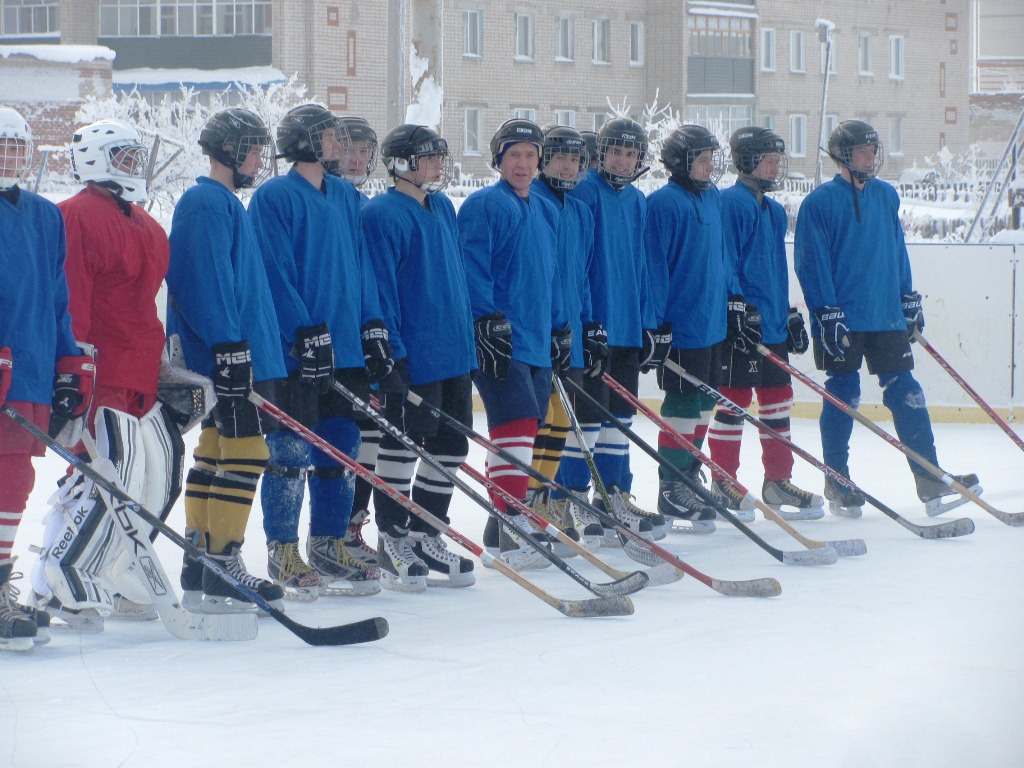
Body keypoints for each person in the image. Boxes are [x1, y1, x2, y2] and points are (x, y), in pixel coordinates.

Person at [30, 119, 187, 631]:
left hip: (142, 372)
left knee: (158, 478)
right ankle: (63, 573)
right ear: (95, 159)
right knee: (104, 478)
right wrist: (73, 370)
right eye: (122, 157)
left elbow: (153, 300)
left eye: (133, 157)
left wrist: (168, 368)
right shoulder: (74, 217)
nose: (133, 167)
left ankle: (119, 569)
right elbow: (68, 301)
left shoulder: (146, 222)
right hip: (101, 374)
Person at [794, 119, 980, 517]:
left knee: (905, 389)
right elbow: (812, 263)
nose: (872, 156)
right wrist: (825, 312)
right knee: (843, 392)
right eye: (864, 149)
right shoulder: (819, 203)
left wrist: (907, 298)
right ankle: (837, 478)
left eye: (874, 149)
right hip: (841, 319)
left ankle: (930, 478)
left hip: (885, 315)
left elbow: (897, 251)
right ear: (843, 154)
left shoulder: (885, 196)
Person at [249, 103, 389, 599]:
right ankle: (282, 549)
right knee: (290, 452)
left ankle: (329, 541)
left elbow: (362, 264)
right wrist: (302, 329)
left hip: (346, 349)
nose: (339, 143)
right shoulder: (274, 196)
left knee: (341, 449)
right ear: (307, 140)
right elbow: (272, 270)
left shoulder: (347, 196)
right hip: (297, 352)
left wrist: (372, 324)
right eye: (330, 135)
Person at [165, 107, 287, 613]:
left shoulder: (226, 204)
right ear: (230, 150)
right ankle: (224, 562)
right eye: (254, 149)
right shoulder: (205, 203)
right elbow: (201, 281)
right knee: (245, 452)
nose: (260, 159)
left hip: (240, 352)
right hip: (227, 356)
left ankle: (201, 560)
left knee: (215, 450)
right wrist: (227, 346)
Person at [361, 123, 476, 590]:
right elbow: (380, 288)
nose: (437, 166)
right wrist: (391, 352)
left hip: (453, 353)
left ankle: (428, 532)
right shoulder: (381, 215)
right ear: (402, 164)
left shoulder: (444, 207)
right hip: (415, 355)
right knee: (403, 447)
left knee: (451, 446)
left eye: (439, 157)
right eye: (429, 158)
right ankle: (393, 536)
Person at [0, 106, 92, 651]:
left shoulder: (43, 215)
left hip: (30, 370)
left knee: (14, 483)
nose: (10, 156)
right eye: (1, 145)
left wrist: (67, 367)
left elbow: (58, 301)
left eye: (17, 146)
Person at [458, 118, 565, 571]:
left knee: (526, 432)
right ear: (498, 159)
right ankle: (510, 522)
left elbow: (553, 276)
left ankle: (503, 522)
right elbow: (472, 266)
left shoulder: (545, 210)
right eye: (514, 155)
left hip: (538, 338)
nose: (523, 163)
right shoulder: (483, 205)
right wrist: (485, 318)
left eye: (530, 155)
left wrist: (561, 325)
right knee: (514, 429)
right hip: (500, 339)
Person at [707, 127, 823, 522]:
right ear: (747, 161)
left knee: (777, 403)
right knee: (733, 402)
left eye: (777, 161)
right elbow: (726, 262)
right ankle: (722, 480)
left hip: (770, 325)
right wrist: (736, 305)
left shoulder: (773, 211)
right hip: (740, 324)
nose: (775, 167)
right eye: (768, 161)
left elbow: (773, 269)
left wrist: (787, 311)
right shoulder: (730, 204)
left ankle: (777, 481)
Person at [569, 116, 664, 544]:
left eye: (631, 154)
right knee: (587, 420)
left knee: (618, 422)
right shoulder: (585, 191)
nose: (623, 161)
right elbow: (579, 264)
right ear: (600, 153)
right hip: (596, 327)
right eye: (616, 152)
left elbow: (644, 268)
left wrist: (649, 324)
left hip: (627, 327)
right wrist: (586, 322)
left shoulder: (639, 201)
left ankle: (614, 496)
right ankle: (574, 497)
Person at [644, 124, 734, 534]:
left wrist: (733, 300)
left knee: (703, 406)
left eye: (711, 158)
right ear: (680, 163)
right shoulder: (664, 203)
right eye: (702, 159)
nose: (709, 166)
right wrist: (656, 321)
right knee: (681, 406)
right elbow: (655, 266)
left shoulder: (712, 198)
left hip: (712, 321)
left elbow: (722, 256)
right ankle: (670, 486)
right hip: (681, 325)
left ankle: (689, 475)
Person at [525, 125, 607, 553]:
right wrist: (551, 328)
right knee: (538, 422)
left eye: (576, 160)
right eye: (560, 158)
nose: (569, 166)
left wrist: (590, 325)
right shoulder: (532, 203)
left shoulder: (579, 210)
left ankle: (545, 500)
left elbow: (582, 276)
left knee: (560, 422)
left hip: (570, 332)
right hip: (539, 333)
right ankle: (520, 506)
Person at [332, 114, 382, 567]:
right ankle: (326, 533)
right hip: (326, 347)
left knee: (366, 440)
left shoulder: (365, 205)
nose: (357, 156)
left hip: (362, 344)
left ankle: (350, 527)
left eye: (365, 149)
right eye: (350, 146)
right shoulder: (325, 202)